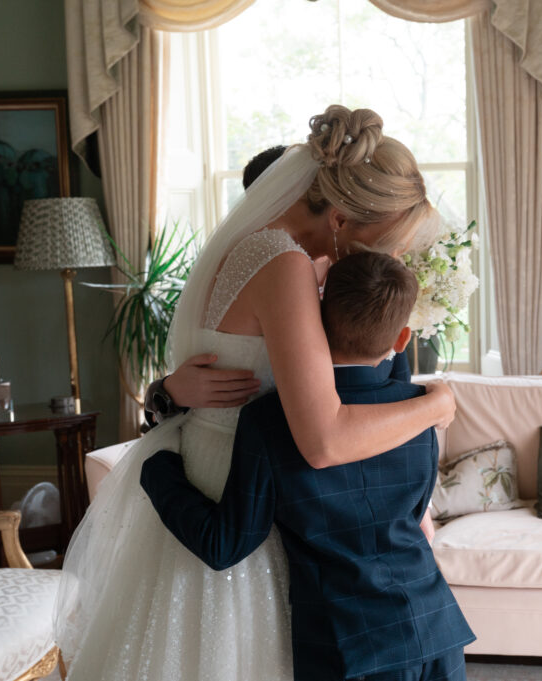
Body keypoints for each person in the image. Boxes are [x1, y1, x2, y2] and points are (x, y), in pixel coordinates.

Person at [54, 105, 455, 681]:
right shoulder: (284, 265)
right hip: (241, 501)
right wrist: (437, 404)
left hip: (230, 471)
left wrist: (163, 392)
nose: (384, 258)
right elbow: (322, 440)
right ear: (341, 216)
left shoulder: (260, 247)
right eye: (382, 241)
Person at [141, 251, 474, 681]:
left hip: (347, 646)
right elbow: (414, 512)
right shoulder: (420, 412)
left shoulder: (268, 421)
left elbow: (224, 545)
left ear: (313, 317)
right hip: (435, 626)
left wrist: (157, 467)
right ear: (403, 339)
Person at [143, 143, 409, 428]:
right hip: (266, 449)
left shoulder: (351, 261)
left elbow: (391, 359)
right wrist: (165, 392)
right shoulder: (264, 262)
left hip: (345, 432)